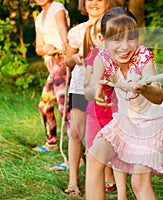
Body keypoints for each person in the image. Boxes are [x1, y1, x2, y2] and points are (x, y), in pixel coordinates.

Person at [85, 7, 163, 200]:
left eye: (130, 38)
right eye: (117, 39)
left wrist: (144, 88)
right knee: (94, 157)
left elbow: (158, 96)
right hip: (126, 121)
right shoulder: (103, 58)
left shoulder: (143, 57)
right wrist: (97, 89)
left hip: (151, 124)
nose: (125, 46)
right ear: (102, 40)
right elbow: (90, 90)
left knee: (139, 182)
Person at [63, 0, 121, 197]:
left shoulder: (115, 25)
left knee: (105, 132)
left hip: (106, 87)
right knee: (77, 133)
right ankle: (73, 180)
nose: (94, 2)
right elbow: (67, 59)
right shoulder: (78, 31)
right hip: (81, 85)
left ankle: (108, 176)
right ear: (83, 3)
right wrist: (75, 59)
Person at [84, 20, 127, 199]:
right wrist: (96, 85)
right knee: (93, 153)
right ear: (98, 39)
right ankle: (96, 188)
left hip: (115, 113)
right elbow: (87, 84)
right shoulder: (93, 56)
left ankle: (122, 195)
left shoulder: (122, 57)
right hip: (95, 113)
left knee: (118, 154)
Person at [33, 0, 70, 153]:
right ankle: (52, 142)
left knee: (65, 108)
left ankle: (77, 156)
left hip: (61, 62)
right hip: (51, 65)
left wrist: (66, 45)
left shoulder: (57, 7)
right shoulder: (39, 17)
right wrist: (45, 49)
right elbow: (38, 48)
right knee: (45, 105)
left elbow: (62, 28)